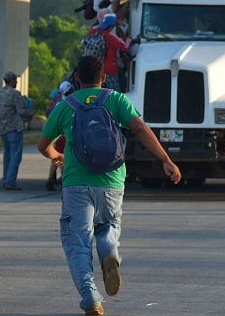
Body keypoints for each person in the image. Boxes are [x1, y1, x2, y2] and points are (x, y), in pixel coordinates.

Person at [38, 56, 182, 316]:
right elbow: (138, 127)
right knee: (108, 226)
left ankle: (91, 296)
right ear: (103, 77)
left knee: (77, 243)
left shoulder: (65, 105)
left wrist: (57, 156)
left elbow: (43, 145)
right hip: (112, 182)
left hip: (76, 183)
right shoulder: (115, 99)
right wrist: (166, 159)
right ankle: (109, 250)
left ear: (77, 78)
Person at [0, 71, 33, 190]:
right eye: (15, 80)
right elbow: (21, 111)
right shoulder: (15, 94)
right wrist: (31, 113)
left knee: (7, 154)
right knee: (16, 155)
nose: (16, 82)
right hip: (14, 127)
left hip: (3, 127)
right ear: (11, 81)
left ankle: (6, 178)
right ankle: (10, 181)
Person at [87, 13, 131, 91]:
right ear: (111, 27)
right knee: (115, 94)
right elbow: (125, 47)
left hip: (96, 70)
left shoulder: (93, 30)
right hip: (110, 70)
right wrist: (129, 39)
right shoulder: (110, 38)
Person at [45, 80, 75, 191]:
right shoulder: (72, 103)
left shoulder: (58, 102)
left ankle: (51, 178)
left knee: (56, 157)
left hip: (58, 134)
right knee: (65, 157)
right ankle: (63, 179)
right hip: (66, 134)